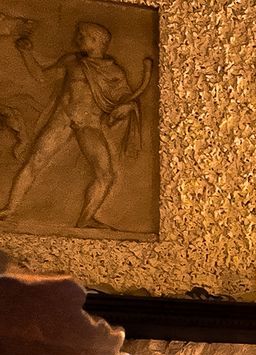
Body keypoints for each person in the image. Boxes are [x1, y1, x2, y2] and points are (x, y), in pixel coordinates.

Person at [0, 21, 152, 230]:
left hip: (89, 124)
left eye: (82, 36)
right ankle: (9, 209)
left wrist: (124, 109)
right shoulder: (72, 61)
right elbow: (41, 77)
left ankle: (86, 219)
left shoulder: (114, 72)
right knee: (34, 160)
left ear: (96, 41)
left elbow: (124, 100)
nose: (76, 40)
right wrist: (26, 53)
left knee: (105, 175)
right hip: (63, 119)